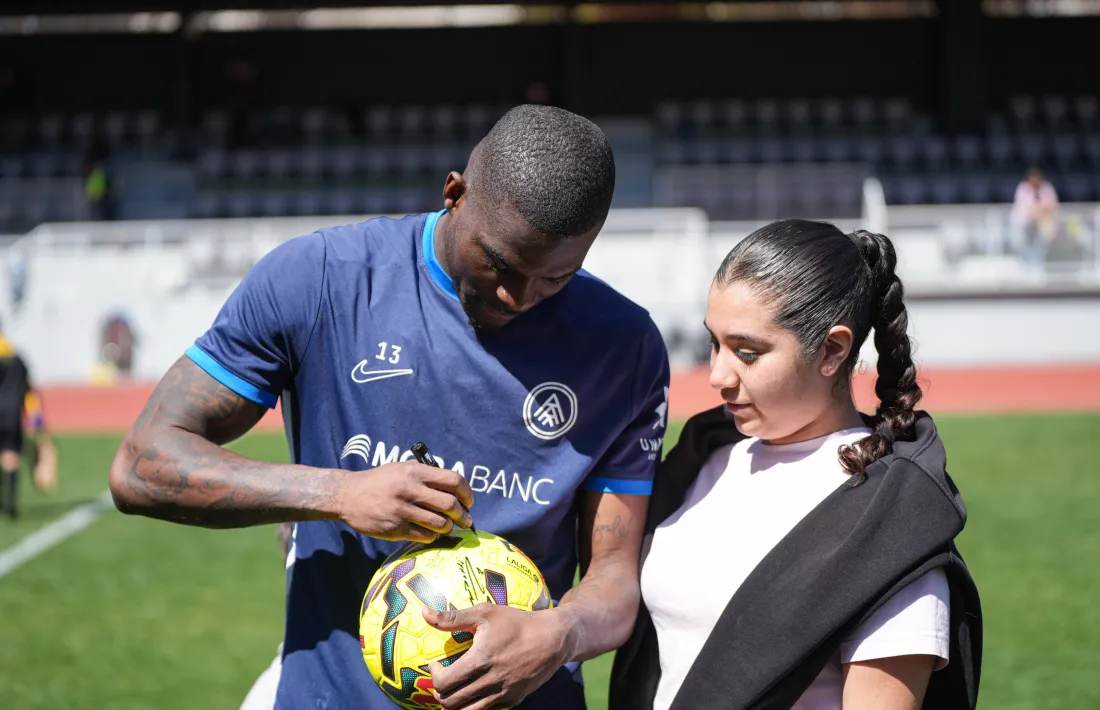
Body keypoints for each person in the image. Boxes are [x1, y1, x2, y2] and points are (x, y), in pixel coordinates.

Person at [109, 104, 670, 710]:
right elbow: (140, 465)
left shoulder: (624, 348)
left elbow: (615, 578)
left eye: (556, 278)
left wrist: (561, 634)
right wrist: (339, 493)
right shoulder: (320, 280)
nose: (518, 296)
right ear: (454, 194)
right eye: (499, 263)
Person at [610, 219, 982, 709]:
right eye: (714, 344)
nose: (717, 375)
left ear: (832, 350)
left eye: (747, 353)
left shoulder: (893, 524)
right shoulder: (703, 456)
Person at [0, 326, 56, 518]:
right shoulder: (17, 359)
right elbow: (29, 392)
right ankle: (10, 502)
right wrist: (37, 420)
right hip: (12, 415)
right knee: (11, 457)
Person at [1009, 167, 1059, 265]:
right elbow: (1027, 208)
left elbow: (1053, 205)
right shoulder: (1022, 189)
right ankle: (1025, 261)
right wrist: (1038, 210)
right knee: (1024, 244)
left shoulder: (1047, 188)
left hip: (1042, 223)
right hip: (1024, 223)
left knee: (1046, 234)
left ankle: (1042, 259)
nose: (1034, 184)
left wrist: (1041, 212)